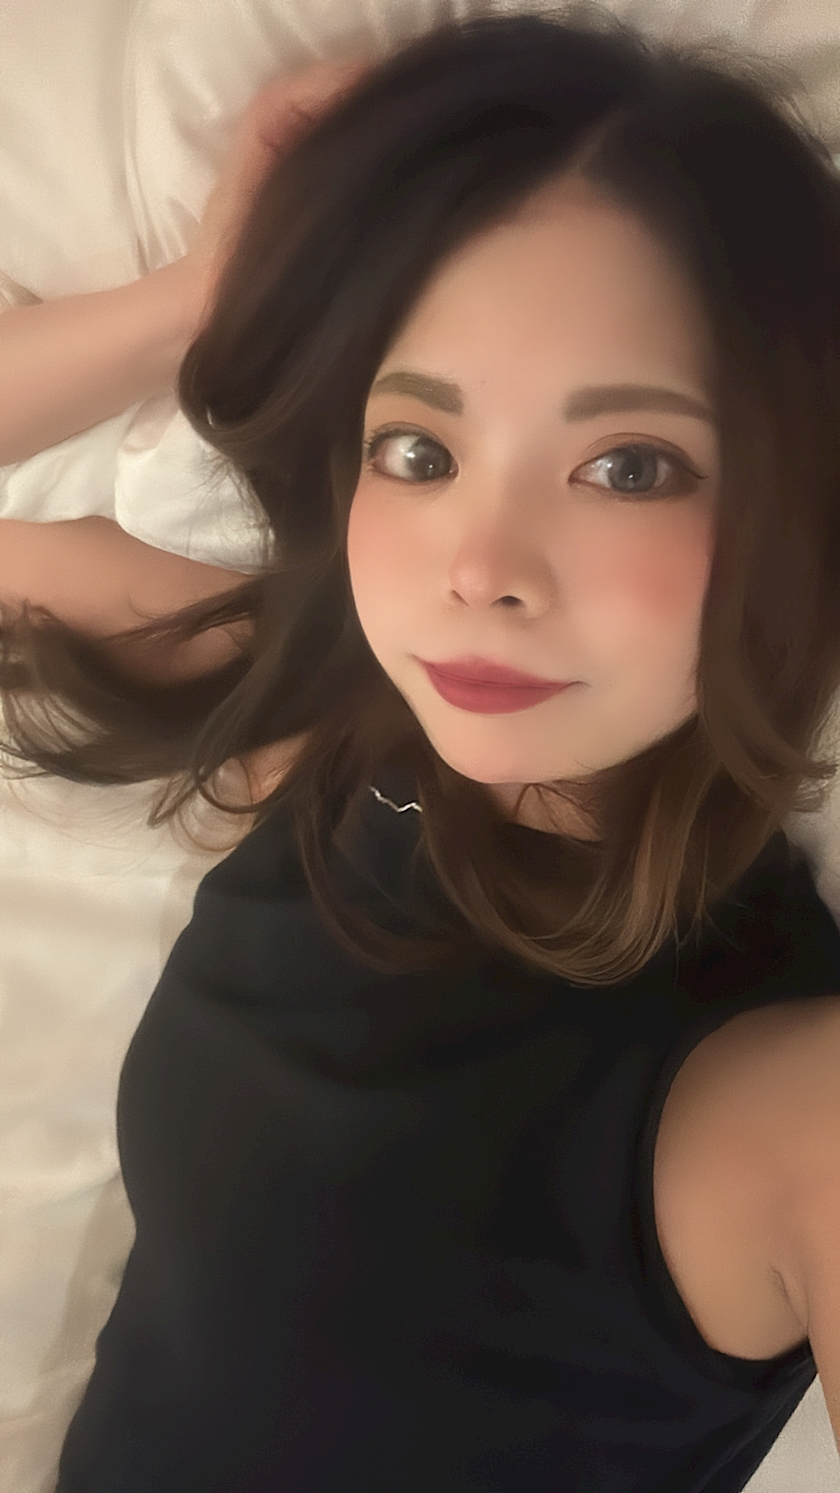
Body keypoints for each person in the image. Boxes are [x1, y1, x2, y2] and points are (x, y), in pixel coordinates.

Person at [8, 6, 840, 1489]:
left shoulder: (788, 1108)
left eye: (628, 465)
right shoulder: (326, 737)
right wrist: (202, 297)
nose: (481, 568)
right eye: (421, 450)